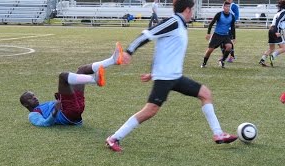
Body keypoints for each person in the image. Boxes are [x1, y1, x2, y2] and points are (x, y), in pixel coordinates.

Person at [105, 0, 238, 152]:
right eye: (192, 10)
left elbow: (163, 48)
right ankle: (114, 138)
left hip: (174, 77)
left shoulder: (180, 24)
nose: (193, 13)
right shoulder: (173, 22)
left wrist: (152, 72)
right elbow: (147, 34)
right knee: (150, 111)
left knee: (205, 93)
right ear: (187, 10)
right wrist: (129, 51)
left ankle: (218, 134)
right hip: (165, 78)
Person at [20, 43, 123, 127]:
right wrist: (55, 111)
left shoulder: (42, 106)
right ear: (25, 104)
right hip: (67, 112)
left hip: (74, 108)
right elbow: (44, 123)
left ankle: (113, 60)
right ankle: (94, 79)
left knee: (81, 70)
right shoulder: (33, 115)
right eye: (31, 98)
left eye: (34, 96)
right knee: (63, 77)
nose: (35, 98)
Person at [201, 1, 236, 68]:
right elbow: (211, 24)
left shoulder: (232, 16)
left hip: (225, 35)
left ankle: (222, 61)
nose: (227, 8)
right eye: (226, 6)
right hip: (216, 35)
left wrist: (234, 37)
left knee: (229, 46)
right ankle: (204, 63)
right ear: (223, 7)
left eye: (229, 6)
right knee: (210, 50)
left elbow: (233, 27)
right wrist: (208, 33)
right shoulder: (219, 14)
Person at [259, 0, 285, 67]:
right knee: (283, 48)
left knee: (271, 48)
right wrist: (277, 32)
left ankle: (262, 59)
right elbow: (278, 22)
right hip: (276, 30)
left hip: (271, 30)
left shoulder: (278, 12)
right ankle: (273, 56)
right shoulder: (283, 13)